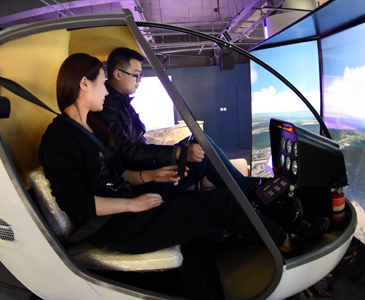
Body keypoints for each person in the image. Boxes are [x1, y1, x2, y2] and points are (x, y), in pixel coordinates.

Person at [38, 53, 303, 264]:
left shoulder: (94, 128)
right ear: (84, 84)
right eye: (101, 83)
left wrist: (150, 176)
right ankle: (288, 243)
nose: (106, 92)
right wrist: (133, 205)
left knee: (213, 196)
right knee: (221, 202)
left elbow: (118, 171)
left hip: (130, 203)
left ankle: (257, 217)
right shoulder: (58, 138)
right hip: (114, 227)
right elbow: (77, 205)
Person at [94, 47, 254, 197]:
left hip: (146, 168)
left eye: (140, 75)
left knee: (201, 141)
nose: (139, 80)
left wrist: (177, 150)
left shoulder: (121, 103)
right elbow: (127, 151)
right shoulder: (108, 106)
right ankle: (251, 200)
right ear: (117, 74)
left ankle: (248, 196)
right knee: (205, 153)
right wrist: (178, 152)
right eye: (136, 75)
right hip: (143, 181)